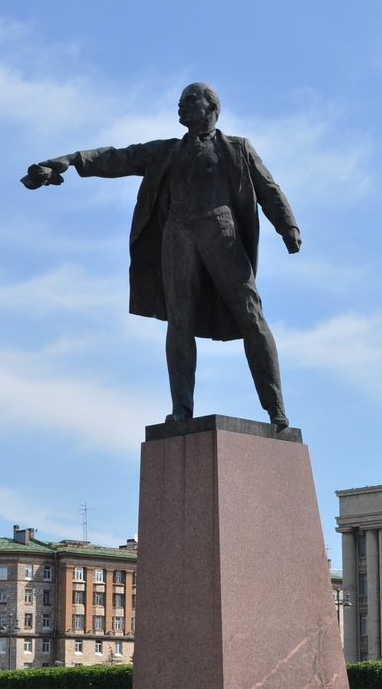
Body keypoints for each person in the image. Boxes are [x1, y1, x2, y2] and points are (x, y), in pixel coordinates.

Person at [23, 83, 300, 429]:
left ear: (211, 106)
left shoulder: (238, 149)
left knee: (251, 316)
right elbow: (116, 157)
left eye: (189, 100)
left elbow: (268, 189)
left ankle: (275, 407)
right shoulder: (165, 152)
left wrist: (287, 226)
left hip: (222, 234)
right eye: (179, 102)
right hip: (177, 236)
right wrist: (66, 161)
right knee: (179, 321)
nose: (180, 106)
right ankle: (182, 407)